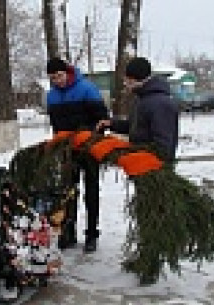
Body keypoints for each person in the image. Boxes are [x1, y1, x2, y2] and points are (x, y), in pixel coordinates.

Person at [45, 57, 110, 253]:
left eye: (60, 75)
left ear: (67, 72)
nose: (58, 80)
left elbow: (102, 120)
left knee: (91, 191)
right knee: (68, 192)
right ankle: (68, 231)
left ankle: (91, 234)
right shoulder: (52, 96)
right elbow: (56, 126)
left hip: (89, 149)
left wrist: (92, 141)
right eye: (53, 78)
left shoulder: (87, 89)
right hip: (67, 152)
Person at [97, 57, 179, 162]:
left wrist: (128, 148)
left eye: (128, 80)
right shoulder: (141, 99)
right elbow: (135, 126)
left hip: (153, 169)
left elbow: (163, 148)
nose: (125, 84)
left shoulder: (160, 104)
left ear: (136, 79)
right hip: (139, 165)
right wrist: (111, 124)